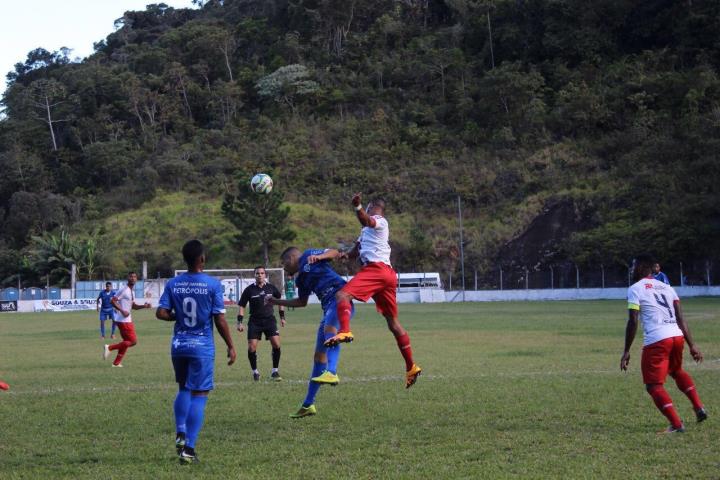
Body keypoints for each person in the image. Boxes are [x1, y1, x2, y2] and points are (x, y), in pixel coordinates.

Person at [325, 193, 422, 389]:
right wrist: (345, 255)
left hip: (376, 270)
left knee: (342, 295)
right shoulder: (365, 233)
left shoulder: (379, 221)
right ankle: (411, 366)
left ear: (372, 207)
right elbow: (356, 250)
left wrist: (357, 206)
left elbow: (366, 219)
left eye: (367, 207)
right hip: (386, 275)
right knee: (393, 323)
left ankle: (345, 331)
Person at [156, 240, 236, 464]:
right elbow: (219, 319)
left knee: (183, 388)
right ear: (202, 259)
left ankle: (180, 432)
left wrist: (176, 316)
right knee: (200, 394)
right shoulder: (212, 284)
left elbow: (161, 313)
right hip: (201, 347)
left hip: (179, 346)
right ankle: (189, 449)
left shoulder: (173, 283)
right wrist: (230, 344)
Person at [620, 254, 707, 434]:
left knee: (653, 385)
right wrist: (692, 345)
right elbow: (681, 318)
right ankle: (699, 408)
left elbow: (633, 321)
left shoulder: (635, 289)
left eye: (634, 265)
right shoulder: (668, 288)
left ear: (643, 267)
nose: (631, 269)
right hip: (676, 336)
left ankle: (676, 425)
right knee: (676, 371)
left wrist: (626, 350)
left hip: (658, 340)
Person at [267, 247, 354, 418]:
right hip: (327, 308)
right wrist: (276, 301)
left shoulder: (308, 255)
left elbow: (335, 252)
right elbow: (301, 302)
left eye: (285, 264)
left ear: (292, 258)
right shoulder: (301, 280)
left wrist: (320, 256)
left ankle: (333, 372)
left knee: (331, 331)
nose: (284, 268)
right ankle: (308, 404)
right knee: (318, 358)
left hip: (340, 300)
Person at [237, 266, 285, 381]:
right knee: (252, 347)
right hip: (255, 321)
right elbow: (242, 305)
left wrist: (282, 317)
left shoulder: (271, 288)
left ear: (265, 275)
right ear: (254, 275)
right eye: (257, 273)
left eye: (262, 273)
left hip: (270, 320)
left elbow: (280, 300)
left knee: (276, 344)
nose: (260, 275)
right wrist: (239, 322)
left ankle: (275, 371)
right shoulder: (249, 290)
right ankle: (255, 372)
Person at [102, 272, 151, 367]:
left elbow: (134, 306)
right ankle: (109, 347)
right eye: (131, 276)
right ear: (127, 278)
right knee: (133, 341)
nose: (133, 278)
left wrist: (144, 306)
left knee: (126, 342)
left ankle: (116, 363)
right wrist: (122, 310)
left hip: (125, 320)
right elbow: (112, 300)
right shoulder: (124, 290)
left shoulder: (131, 291)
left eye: (135, 277)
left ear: (137, 279)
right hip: (123, 320)